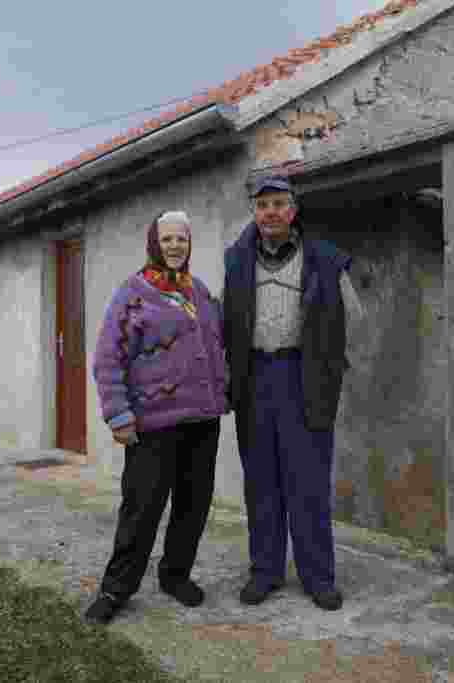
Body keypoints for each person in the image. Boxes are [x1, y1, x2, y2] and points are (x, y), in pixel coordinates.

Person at [222, 175, 364, 611]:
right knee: (262, 483)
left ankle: (318, 578)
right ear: (254, 212)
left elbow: (353, 318)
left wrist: (329, 367)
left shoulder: (322, 259)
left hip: (304, 379)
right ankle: (264, 572)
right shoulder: (236, 261)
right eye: (263, 205)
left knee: (308, 484)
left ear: (293, 210)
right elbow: (225, 324)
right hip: (254, 379)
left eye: (279, 204)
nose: (271, 212)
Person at [86, 210, 229, 625]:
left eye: (181, 239)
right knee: (142, 508)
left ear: (189, 244)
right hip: (153, 424)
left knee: (193, 503)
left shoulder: (199, 292)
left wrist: (222, 393)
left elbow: (216, 347)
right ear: (154, 243)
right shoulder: (132, 293)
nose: (174, 246)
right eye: (166, 239)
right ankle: (116, 589)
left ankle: (175, 574)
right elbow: (107, 358)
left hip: (202, 420)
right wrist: (118, 415)